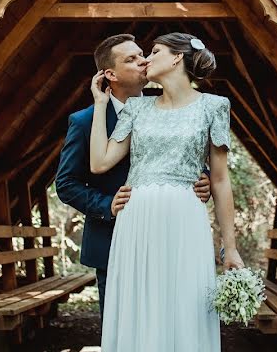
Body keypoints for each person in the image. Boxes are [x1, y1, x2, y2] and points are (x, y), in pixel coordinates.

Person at [90, 32, 244, 351]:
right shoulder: (136, 108)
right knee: (139, 303)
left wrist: (230, 247)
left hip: (185, 218)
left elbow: (219, 180)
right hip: (136, 220)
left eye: (154, 51)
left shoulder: (214, 107)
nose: (146, 58)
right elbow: (100, 163)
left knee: (185, 302)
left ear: (176, 58)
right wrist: (100, 104)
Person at [55, 34, 211, 324]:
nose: (144, 61)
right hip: (111, 241)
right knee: (122, 328)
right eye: (132, 59)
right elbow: (65, 184)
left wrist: (206, 178)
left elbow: (189, 152)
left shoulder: (166, 108)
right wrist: (107, 205)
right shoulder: (85, 121)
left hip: (166, 238)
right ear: (110, 74)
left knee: (165, 324)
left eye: (143, 54)